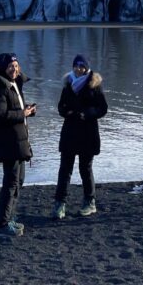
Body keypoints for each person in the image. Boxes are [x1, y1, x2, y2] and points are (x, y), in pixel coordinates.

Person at [0, 52, 37, 237]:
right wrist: (22, 114)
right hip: (8, 143)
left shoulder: (14, 84)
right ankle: (2, 224)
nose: (14, 69)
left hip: (18, 141)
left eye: (15, 66)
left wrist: (28, 111)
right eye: (10, 66)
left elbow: (15, 109)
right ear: (3, 68)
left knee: (18, 181)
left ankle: (9, 218)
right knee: (11, 183)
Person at [52, 54, 108, 220]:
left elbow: (103, 108)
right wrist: (67, 112)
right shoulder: (68, 83)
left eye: (81, 66)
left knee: (85, 168)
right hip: (69, 131)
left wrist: (88, 113)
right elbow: (60, 106)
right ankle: (59, 204)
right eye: (76, 66)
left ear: (86, 68)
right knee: (65, 169)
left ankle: (90, 202)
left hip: (88, 132)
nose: (78, 69)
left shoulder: (95, 84)